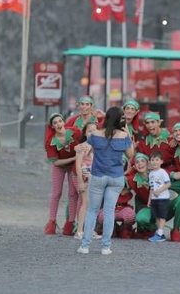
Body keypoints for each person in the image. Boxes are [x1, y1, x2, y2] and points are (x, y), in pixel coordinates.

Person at [77, 107, 134, 255]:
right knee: (109, 211)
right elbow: (130, 154)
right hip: (116, 177)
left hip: (98, 175)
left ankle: (85, 245)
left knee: (92, 210)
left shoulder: (95, 134)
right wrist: (126, 129)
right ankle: (105, 247)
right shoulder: (123, 135)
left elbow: (90, 148)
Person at [137, 112, 180, 241]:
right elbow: (140, 161)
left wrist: (176, 139)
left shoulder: (171, 133)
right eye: (147, 123)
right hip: (155, 175)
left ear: (159, 122)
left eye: (153, 122)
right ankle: (151, 228)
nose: (150, 125)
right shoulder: (144, 143)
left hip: (173, 172)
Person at [44, 113, 82, 235]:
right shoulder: (51, 141)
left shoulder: (74, 132)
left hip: (74, 167)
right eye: (55, 123)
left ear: (64, 122)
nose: (58, 124)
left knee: (73, 194)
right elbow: (56, 162)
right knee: (56, 193)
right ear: (52, 126)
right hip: (60, 166)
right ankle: (52, 222)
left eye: (60, 121)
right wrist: (73, 159)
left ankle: (70, 223)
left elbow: (84, 141)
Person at [73, 122, 98, 240]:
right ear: (85, 133)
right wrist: (80, 181)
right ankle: (79, 230)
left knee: (94, 205)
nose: (92, 133)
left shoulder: (98, 146)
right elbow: (78, 165)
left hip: (96, 178)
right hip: (85, 178)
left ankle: (91, 230)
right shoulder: (82, 147)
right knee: (85, 203)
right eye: (89, 131)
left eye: (95, 130)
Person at [147, 151, 172, 242]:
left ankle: (160, 233)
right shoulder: (151, 174)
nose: (154, 162)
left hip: (163, 198)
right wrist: (149, 200)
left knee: (162, 216)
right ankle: (160, 233)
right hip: (154, 199)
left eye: (157, 160)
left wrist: (159, 191)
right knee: (156, 216)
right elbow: (151, 188)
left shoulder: (162, 172)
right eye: (152, 160)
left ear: (161, 161)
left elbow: (168, 184)